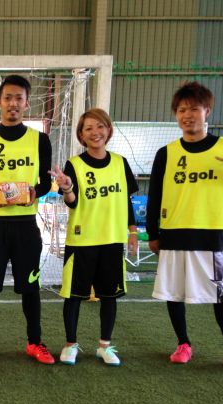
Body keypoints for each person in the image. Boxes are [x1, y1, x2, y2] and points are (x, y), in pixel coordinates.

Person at [147, 81, 223, 375]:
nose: (187, 115)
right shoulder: (166, 153)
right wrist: (153, 233)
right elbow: (155, 196)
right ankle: (183, 344)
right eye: (181, 110)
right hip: (173, 233)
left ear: (207, 111)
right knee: (174, 293)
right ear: (176, 115)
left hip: (210, 234)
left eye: (194, 109)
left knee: (221, 295)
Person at [0, 74, 53, 364]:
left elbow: (45, 183)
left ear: (27, 103)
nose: (13, 103)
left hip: (27, 227)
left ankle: (35, 342)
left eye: (19, 98)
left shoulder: (40, 140)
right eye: (8, 98)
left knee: (30, 288)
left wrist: (34, 193)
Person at [51, 108, 139, 366]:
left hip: (112, 239)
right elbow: (72, 202)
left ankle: (105, 346)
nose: (95, 132)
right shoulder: (74, 164)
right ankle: (70, 345)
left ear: (108, 130)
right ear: (81, 135)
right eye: (88, 128)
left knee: (109, 297)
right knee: (74, 296)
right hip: (82, 241)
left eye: (100, 126)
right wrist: (67, 187)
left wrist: (133, 232)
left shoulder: (121, 163)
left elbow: (126, 201)